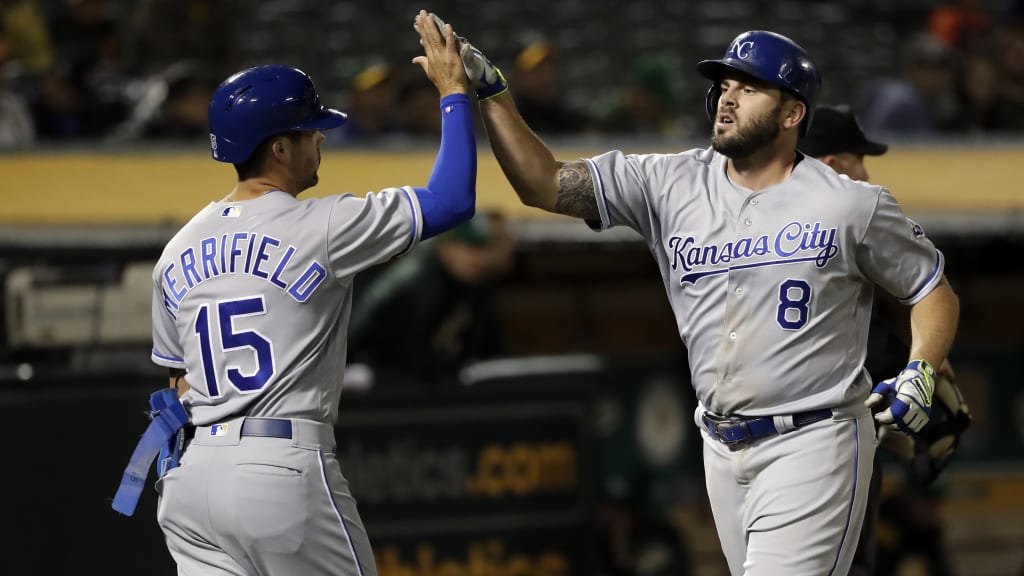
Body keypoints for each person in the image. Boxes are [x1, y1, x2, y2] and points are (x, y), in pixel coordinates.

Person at [429, 18, 960, 574]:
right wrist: (493, 95)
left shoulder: (850, 203)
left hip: (816, 439)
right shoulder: (670, 181)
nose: (727, 98)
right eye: (725, 85)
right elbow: (543, 183)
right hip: (721, 446)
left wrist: (922, 366)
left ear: (792, 112)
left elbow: (931, 288)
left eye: (749, 88)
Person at [112, 12, 474, 575]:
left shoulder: (176, 250)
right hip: (280, 468)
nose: (321, 138)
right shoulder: (321, 225)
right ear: (279, 149)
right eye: (310, 131)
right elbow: (451, 200)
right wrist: (454, 94)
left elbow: (177, 382)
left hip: (190, 482)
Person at [799, 104, 972, 576]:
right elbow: (865, 353)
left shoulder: (762, 224)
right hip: (818, 459)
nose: (867, 171)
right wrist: (921, 372)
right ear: (833, 165)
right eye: (859, 159)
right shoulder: (831, 233)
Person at [348, 209, 515, 387]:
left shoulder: (473, 285)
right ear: (448, 247)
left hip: (423, 385)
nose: (479, 260)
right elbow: (407, 363)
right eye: (474, 248)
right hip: (377, 385)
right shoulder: (417, 286)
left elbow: (489, 349)